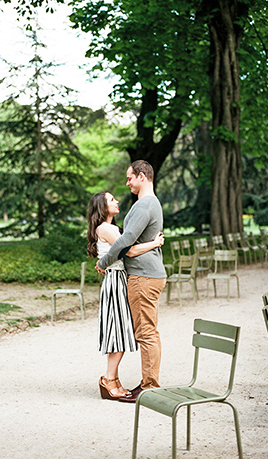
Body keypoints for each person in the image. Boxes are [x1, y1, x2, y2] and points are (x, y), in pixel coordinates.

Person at [96, 160, 167, 403]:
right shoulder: (151, 203)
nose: (127, 183)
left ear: (141, 177)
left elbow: (126, 241)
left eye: (130, 178)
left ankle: (148, 386)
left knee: (146, 333)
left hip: (143, 276)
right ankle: (148, 383)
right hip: (149, 275)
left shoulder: (144, 204)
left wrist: (103, 262)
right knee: (150, 332)